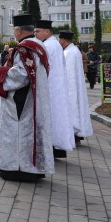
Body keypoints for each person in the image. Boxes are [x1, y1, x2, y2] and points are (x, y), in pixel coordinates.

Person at [0, 14, 53, 182]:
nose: (13, 32)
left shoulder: (24, 48)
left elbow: (21, 75)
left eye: (14, 30)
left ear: (18, 31)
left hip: (21, 101)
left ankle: (17, 169)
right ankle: (31, 168)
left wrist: (2, 71)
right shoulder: (39, 45)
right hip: (35, 96)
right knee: (30, 132)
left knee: (18, 132)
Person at [33, 20, 76, 158]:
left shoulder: (47, 46)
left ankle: (51, 148)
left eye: (38, 31)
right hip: (56, 88)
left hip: (50, 88)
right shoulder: (53, 44)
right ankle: (56, 147)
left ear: (47, 31)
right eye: (34, 31)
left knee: (51, 119)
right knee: (56, 118)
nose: (35, 34)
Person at [58, 31, 94, 144]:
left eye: (59, 39)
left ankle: (74, 134)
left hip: (71, 88)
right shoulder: (74, 50)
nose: (58, 41)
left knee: (73, 110)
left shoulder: (68, 53)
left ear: (63, 40)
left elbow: (69, 75)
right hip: (75, 87)